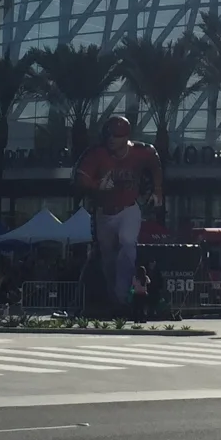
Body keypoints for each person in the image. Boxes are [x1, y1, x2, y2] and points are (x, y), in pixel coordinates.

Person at [73, 115, 163, 312]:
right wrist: (97, 185)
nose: (112, 139)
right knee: (108, 258)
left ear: (126, 137)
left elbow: (154, 159)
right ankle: (113, 297)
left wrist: (157, 190)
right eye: (109, 135)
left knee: (128, 243)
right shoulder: (97, 153)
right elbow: (80, 178)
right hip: (104, 213)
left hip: (128, 209)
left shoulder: (139, 151)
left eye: (117, 135)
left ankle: (122, 297)